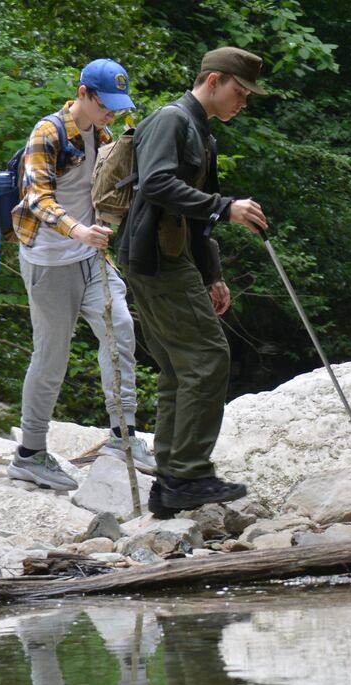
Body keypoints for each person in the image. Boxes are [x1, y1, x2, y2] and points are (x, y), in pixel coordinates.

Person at [116, 48, 271, 517]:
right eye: (239, 93)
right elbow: (157, 184)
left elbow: (194, 212)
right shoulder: (171, 120)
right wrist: (227, 206)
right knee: (207, 357)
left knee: (179, 367)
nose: (242, 103)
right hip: (155, 259)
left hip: (172, 257)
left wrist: (213, 274)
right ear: (214, 80)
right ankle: (188, 474)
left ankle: (169, 484)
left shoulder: (201, 132)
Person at [6, 59, 149, 491]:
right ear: (84, 93)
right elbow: (36, 198)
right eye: (107, 104)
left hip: (91, 258)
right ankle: (29, 454)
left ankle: (123, 437)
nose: (113, 113)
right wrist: (78, 230)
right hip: (50, 261)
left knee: (120, 330)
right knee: (52, 356)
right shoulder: (47, 133)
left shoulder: (102, 134)